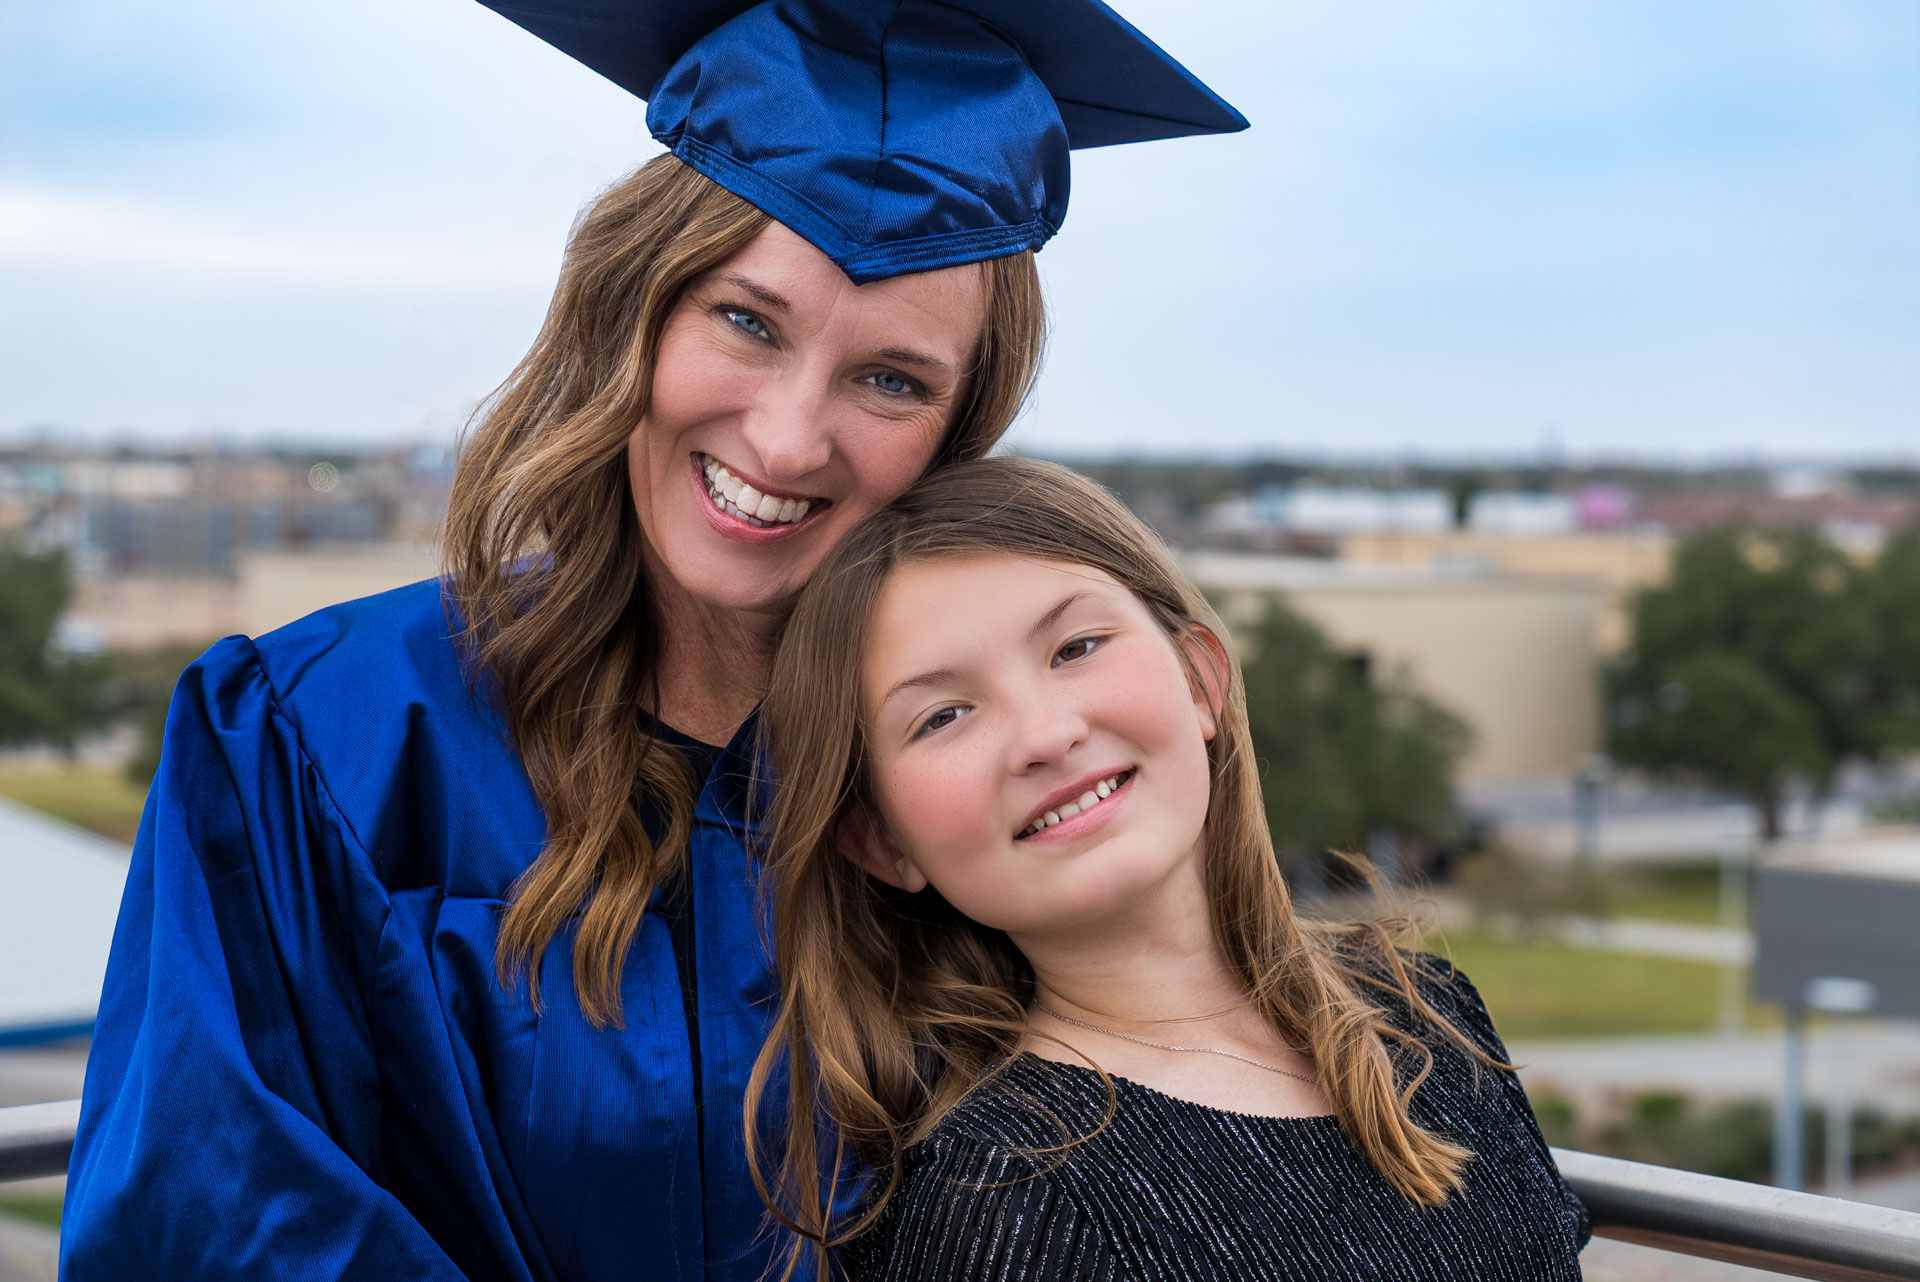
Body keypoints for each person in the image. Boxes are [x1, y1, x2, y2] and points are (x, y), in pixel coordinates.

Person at [59, 3, 1245, 1278]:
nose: (788, 441)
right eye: (746, 320)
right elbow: (205, 1222)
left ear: (959, 426)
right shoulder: (317, 742)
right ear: (634, 308)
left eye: (892, 379)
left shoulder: (962, 776)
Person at [749, 457, 1591, 1280]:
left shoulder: (1427, 1014)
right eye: (944, 715)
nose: (1046, 735)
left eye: (1075, 647)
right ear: (880, 839)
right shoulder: (1005, 1199)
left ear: (1200, 680)